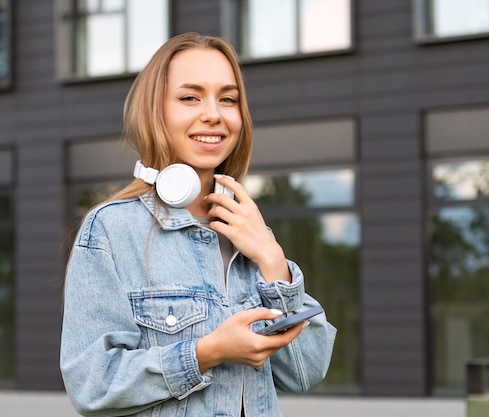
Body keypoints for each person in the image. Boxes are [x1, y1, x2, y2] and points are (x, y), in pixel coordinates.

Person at [60, 32, 336, 417]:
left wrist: (273, 262)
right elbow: (92, 384)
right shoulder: (112, 229)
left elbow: (306, 370)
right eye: (190, 97)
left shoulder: (252, 234)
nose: (214, 114)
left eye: (228, 99)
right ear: (156, 112)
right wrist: (207, 353)